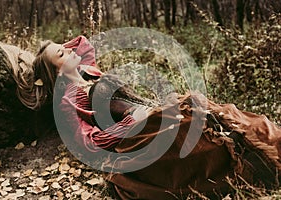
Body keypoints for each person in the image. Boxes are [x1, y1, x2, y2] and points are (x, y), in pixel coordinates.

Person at [29, 35, 281, 199]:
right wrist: (129, 122)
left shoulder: (88, 70)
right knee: (199, 136)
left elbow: (84, 44)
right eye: (61, 55)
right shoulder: (66, 101)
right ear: (57, 73)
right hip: (136, 132)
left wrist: (58, 51)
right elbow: (88, 142)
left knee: (220, 116)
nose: (68, 49)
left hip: (149, 112)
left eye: (64, 46)